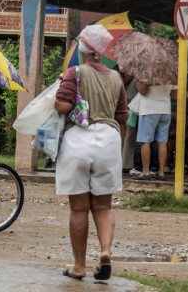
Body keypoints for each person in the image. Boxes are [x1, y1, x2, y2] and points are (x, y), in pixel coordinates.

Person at [54, 25, 128, 280]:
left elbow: (63, 106)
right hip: (108, 140)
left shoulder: (74, 73)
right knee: (104, 205)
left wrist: (60, 91)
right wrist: (117, 149)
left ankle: (79, 267)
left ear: (82, 49)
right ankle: (105, 252)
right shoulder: (116, 78)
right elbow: (122, 118)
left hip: (79, 141)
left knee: (79, 209)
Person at [132, 81, 177, 181]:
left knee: (145, 142)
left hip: (149, 109)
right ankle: (161, 172)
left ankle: (146, 172)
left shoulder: (148, 72)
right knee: (162, 142)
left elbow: (143, 91)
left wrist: (138, 84)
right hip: (165, 110)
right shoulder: (170, 73)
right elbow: (175, 95)